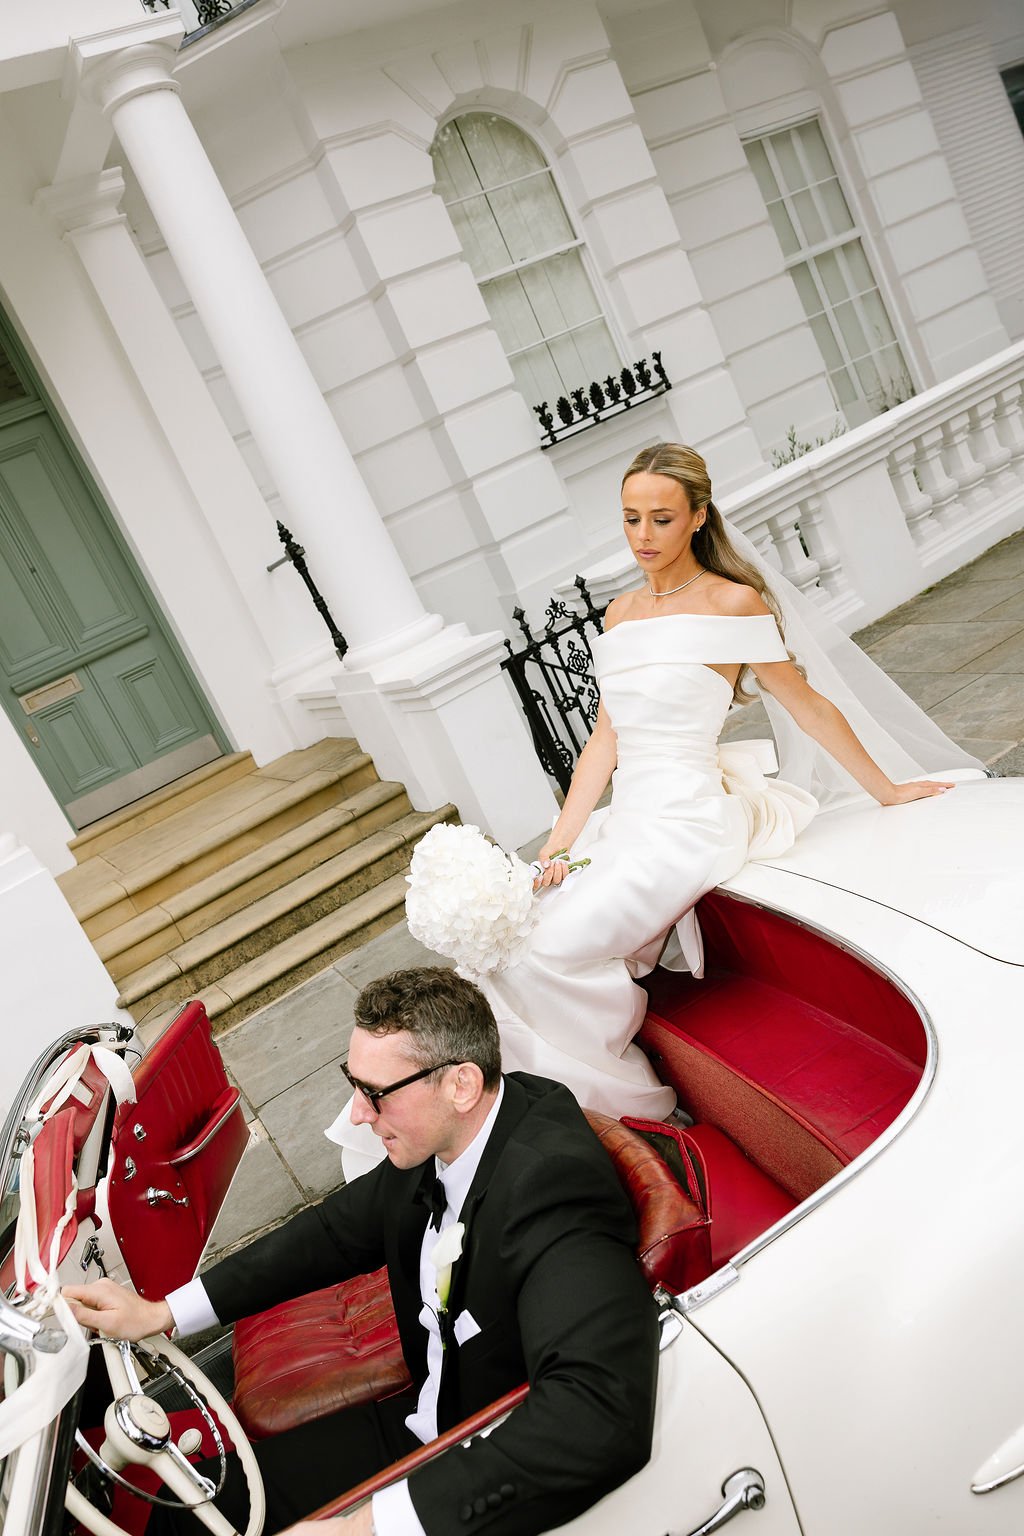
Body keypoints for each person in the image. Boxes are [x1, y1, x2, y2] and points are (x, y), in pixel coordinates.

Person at [333, 442, 980, 1166]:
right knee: (519, 930)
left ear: (698, 519)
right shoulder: (619, 614)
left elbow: (809, 705)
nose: (643, 536)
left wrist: (888, 788)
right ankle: (515, 1112)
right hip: (626, 820)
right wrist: (559, 844)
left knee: (551, 946)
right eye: (631, 518)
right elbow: (604, 743)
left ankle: (628, 1101)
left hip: (688, 822)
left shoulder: (734, 602)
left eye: (661, 519)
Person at [64, 967, 659, 1536]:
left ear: (461, 1084)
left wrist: (368, 1525)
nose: (358, 1113)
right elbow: (327, 1235)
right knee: (194, 1507)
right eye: (355, 1086)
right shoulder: (443, 1137)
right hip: (420, 1419)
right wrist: (164, 1312)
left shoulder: (551, 1190)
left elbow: (601, 1415)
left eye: (376, 1094)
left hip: (473, 1461)